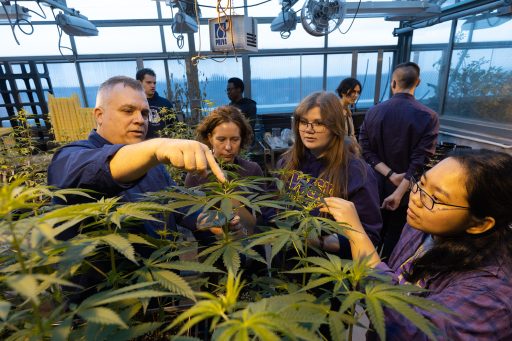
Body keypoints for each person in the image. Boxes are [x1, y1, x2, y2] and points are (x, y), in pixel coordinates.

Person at [321, 149, 512, 340]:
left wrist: (357, 234)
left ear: (480, 224)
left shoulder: (490, 294)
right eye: (421, 182)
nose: (415, 197)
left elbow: (412, 333)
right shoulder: (422, 224)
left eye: (436, 198)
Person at [48, 76, 226, 240]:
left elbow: (175, 202)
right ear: (99, 115)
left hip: (163, 269)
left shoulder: (151, 163)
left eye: (145, 113)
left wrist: (215, 220)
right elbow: (96, 169)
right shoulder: (69, 157)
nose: (140, 120)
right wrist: (157, 146)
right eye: (128, 111)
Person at [278, 91, 382, 258]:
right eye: (304, 122)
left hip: (330, 270)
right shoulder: (288, 162)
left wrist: (321, 242)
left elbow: (369, 235)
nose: (308, 130)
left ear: (336, 127)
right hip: (286, 261)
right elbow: (272, 207)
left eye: (319, 123)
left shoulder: (357, 172)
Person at [359, 61, 439, 259]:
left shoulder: (373, 112)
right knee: (395, 237)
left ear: (393, 83)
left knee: (368, 234)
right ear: (417, 82)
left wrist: (389, 174)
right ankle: (386, 279)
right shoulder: (428, 116)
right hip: (404, 194)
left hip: (373, 187)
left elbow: (365, 149)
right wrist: (398, 191)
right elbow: (420, 161)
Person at [185, 105, 264, 243]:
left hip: (251, 253)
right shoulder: (196, 175)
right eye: (221, 139)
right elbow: (190, 220)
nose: (228, 147)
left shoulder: (252, 170)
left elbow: (262, 219)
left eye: (235, 139)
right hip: (212, 253)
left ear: (242, 138)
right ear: (210, 138)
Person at [136, 68, 175, 139]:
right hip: (141, 147)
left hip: (164, 146)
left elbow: (175, 127)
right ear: (139, 83)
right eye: (149, 82)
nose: (153, 86)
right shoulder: (134, 103)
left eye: (154, 83)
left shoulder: (165, 103)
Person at [335, 77, 362, 142]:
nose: (356, 95)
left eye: (358, 92)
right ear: (343, 92)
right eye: (353, 91)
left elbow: (351, 135)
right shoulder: (335, 111)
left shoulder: (347, 111)